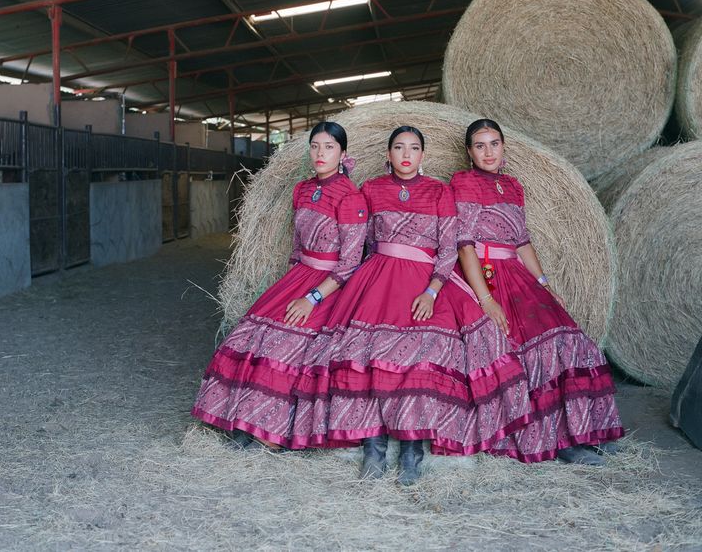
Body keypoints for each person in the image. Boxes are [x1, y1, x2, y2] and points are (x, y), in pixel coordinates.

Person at [296, 126, 531, 484]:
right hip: (377, 279)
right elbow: (362, 243)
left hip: (428, 282)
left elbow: (449, 249)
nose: (406, 154)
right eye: (399, 148)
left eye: (414, 148)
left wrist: (433, 290)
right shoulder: (370, 189)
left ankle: (411, 450)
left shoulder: (440, 191)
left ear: (423, 155)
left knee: (425, 356)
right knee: (368, 356)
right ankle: (373, 447)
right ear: (387, 155)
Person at [450, 118, 624, 465]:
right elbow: (465, 245)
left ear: (503, 148)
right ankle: (557, 441)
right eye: (480, 145)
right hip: (485, 274)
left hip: (517, 273)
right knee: (531, 350)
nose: (488, 152)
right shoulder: (464, 182)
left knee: (571, 340)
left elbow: (523, 241)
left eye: (494, 144)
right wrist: (486, 298)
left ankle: (584, 429)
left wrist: (545, 284)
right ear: (469, 153)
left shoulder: (514, 186)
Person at [191, 121, 368, 450]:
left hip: (332, 286)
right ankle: (242, 418)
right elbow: (297, 249)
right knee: (250, 333)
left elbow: (351, 262)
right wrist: (289, 287)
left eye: (329, 147)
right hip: (300, 276)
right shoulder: (301, 190)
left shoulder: (352, 198)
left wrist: (311, 298)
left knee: (286, 346)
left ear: (343, 154)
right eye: (315, 146)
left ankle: (272, 436)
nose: (320, 153)